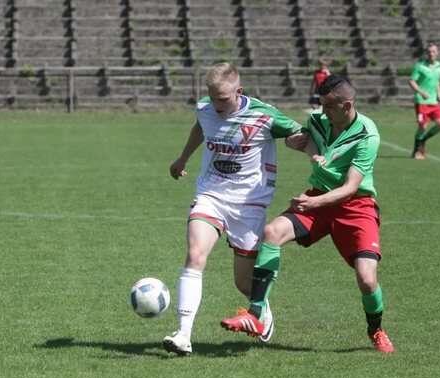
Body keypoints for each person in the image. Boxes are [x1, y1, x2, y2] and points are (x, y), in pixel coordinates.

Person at [220, 74, 395, 353]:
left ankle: (376, 330)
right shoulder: (319, 120)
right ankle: (256, 314)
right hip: (317, 197)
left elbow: (350, 188)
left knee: (367, 278)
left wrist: (315, 203)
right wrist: (303, 146)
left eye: (329, 106)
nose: (323, 111)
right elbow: (300, 138)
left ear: (347, 105)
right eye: (321, 104)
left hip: (356, 206)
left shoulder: (367, 134)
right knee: (272, 232)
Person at [163, 63, 307, 356]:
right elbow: (201, 127)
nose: (217, 105)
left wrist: (313, 151)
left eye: (224, 99)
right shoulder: (205, 109)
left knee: (243, 283)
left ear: (239, 91)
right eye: (213, 97)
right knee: (195, 254)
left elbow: (298, 134)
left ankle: (260, 310)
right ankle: (183, 334)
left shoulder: (264, 115)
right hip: (211, 194)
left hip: (249, 204)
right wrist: (182, 158)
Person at [408, 42, 440, 160]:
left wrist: (439, 94)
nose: (431, 54)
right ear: (426, 53)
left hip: (434, 103)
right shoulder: (419, 66)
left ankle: (422, 140)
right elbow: (411, 81)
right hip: (421, 102)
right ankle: (417, 150)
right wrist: (421, 92)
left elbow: (436, 81)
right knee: (423, 127)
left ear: (437, 53)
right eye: (429, 52)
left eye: (433, 51)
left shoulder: (439, 66)